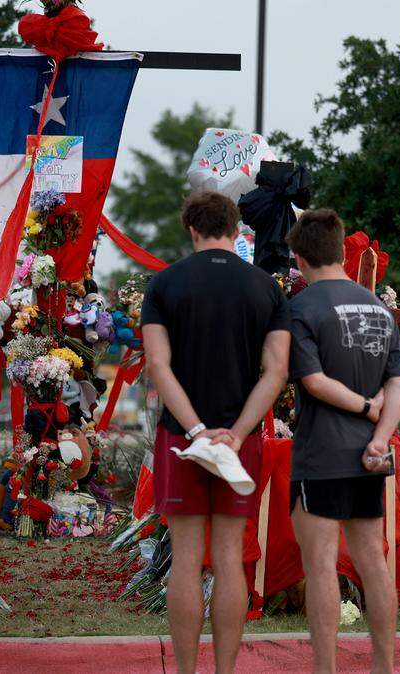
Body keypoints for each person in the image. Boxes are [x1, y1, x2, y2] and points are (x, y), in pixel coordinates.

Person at [140, 189, 290, 674]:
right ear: (236, 229)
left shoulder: (165, 285)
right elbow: (276, 372)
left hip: (182, 437)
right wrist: (238, 431)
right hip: (239, 440)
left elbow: (159, 368)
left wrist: (197, 429)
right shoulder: (266, 288)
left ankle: (186, 671)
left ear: (191, 228)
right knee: (228, 557)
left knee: (185, 559)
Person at [285, 208, 400, 674]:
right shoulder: (378, 307)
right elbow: (398, 381)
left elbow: (313, 381)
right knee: (373, 563)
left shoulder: (301, 309)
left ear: (299, 259)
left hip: (321, 454)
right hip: (369, 459)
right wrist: (380, 437)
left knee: (320, 567)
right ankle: (384, 667)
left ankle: (325, 670)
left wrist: (362, 407)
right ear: (341, 251)